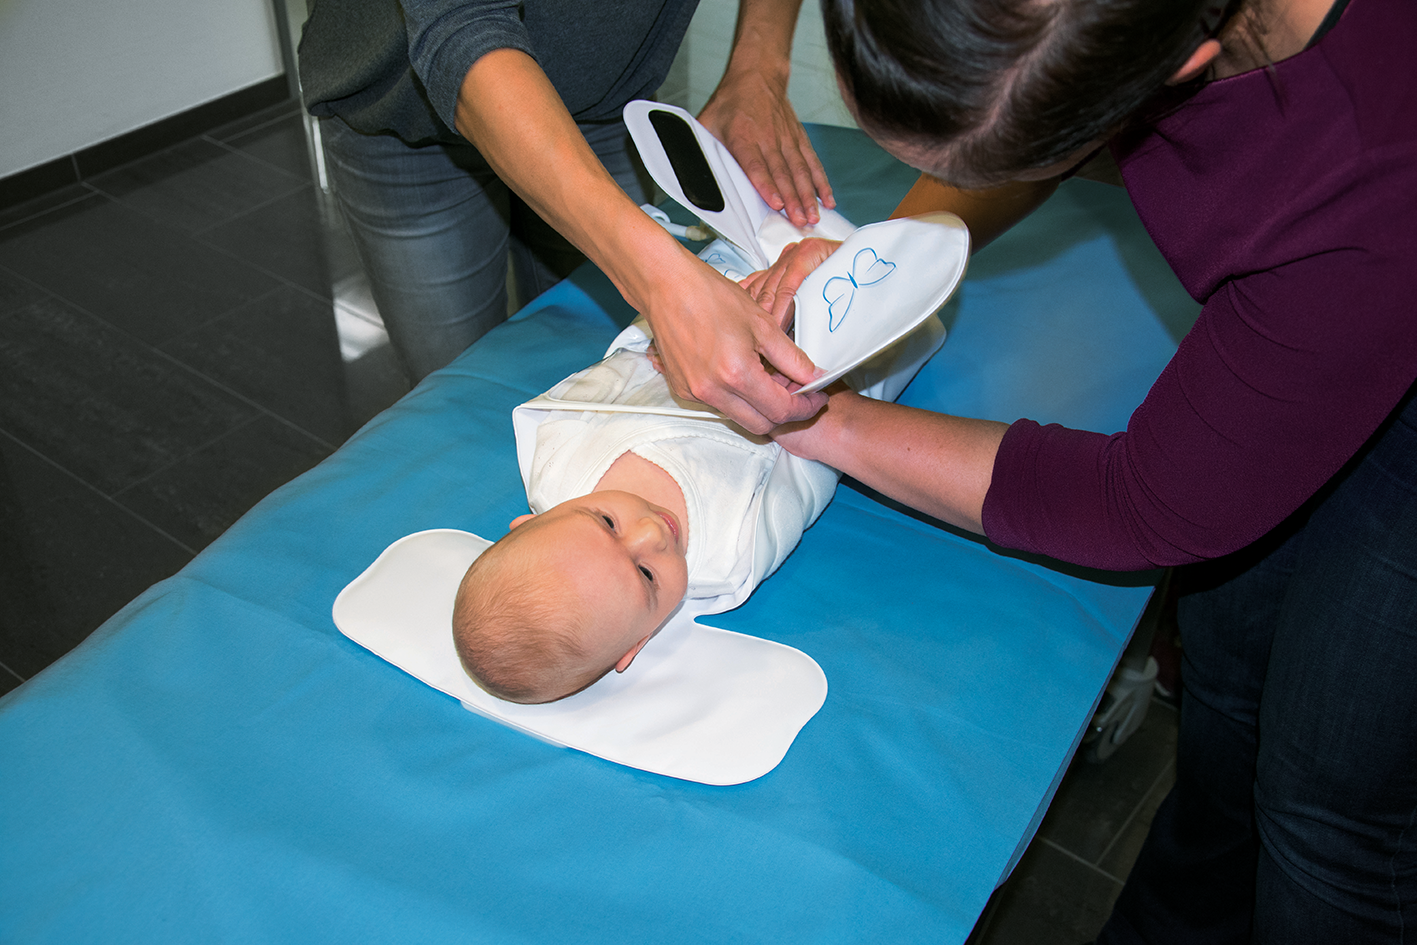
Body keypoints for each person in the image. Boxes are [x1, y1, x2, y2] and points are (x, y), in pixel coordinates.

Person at [742, 0, 1416, 941]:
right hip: (1339, 277)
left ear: (1176, 65)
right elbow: (1019, 99)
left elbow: (1148, 502)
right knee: (1231, 679)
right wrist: (879, 261)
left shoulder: (1371, 156)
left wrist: (828, 424)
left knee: (1331, 798)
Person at [297, 0, 834, 435]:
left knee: (617, 377)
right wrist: (660, 278)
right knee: (463, 405)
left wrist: (758, 69)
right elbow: (461, 26)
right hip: (402, 116)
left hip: (602, 100)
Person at [452, 298, 946, 704]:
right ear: (638, 642)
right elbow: (814, 474)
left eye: (606, 522)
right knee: (895, 306)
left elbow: (604, 378)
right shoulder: (726, 560)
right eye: (646, 577)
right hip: (816, 384)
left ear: (531, 521)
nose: (653, 533)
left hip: (704, 334)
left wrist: (654, 342)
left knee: (728, 271)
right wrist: (801, 396)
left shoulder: (556, 459)